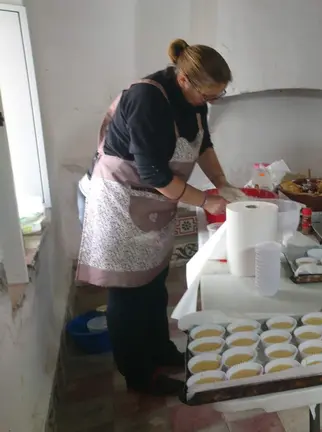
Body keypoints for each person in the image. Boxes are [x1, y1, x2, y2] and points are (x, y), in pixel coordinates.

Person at [76, 39, 240, 396]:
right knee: (126, 296)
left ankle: (161, 351)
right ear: (184, 80)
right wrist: (205, 202)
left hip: (151, 203)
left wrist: (223, 185)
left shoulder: (196, 104)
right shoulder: (147, 98)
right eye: (208, 96)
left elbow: (203, 146)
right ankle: (139, 376)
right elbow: (153, 173)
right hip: (120, 203)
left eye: (217, 96)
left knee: (153, 284)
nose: (210, 102)